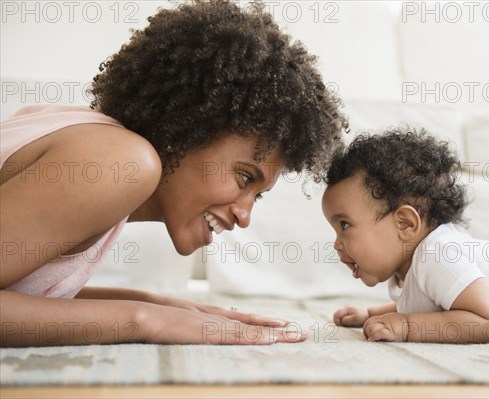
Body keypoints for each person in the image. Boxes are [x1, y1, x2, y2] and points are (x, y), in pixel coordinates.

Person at [0, 0, 347, 347]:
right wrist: (147, 321)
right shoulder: (121, 162)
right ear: (186, 130)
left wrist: (156, 304)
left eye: (256, 196)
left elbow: (23, 290)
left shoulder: (96, 145)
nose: (244, 216)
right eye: (244, 178)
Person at [321, 128, 489, 343]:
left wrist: (405, 326)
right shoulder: (408, 264)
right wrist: (371, 314)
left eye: (344, 225)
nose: (336, 243)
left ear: (405, 223)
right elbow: (430, 301)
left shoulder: (438, 255)